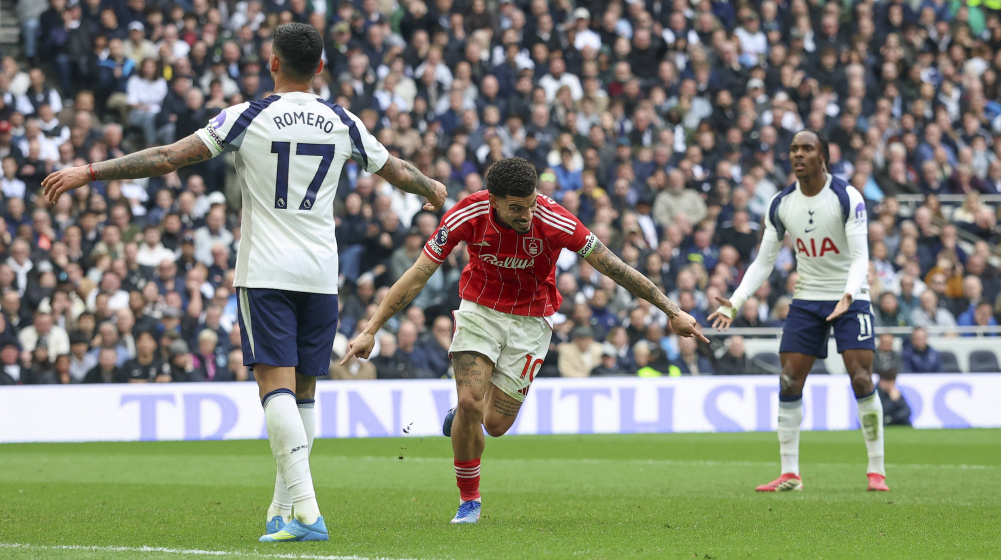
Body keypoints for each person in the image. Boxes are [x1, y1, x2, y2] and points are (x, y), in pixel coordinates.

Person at [42, 23, 446, 543]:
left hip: (266, 272)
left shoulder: (248, 116)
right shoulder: (342, 121)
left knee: (273, 389)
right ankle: (283, 514)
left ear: (273, 63)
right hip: (322, 276)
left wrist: (90, 172)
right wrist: (432, 188)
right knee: (303, 394)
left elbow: (167, 158)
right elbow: (399, 171)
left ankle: (307, 511)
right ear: (321, 67)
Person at [341, 156, 706, 524]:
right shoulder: (466, 215)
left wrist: (671, 310)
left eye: (531, 204)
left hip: (532, 321)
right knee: (470, 401)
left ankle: (463, 419)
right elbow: (418, 273)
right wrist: (371, 328)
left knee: (495, 425)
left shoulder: (555, 219)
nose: (527, 215)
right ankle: (470, 500)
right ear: (492, 200)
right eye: (516, 208)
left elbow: (614, 266)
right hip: (480, 310)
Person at [709, 130, 889, 492]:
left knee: (861, 379)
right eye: (793, 149)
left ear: (822, 155)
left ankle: (876, 470)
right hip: (807, 299)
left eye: (807, 148)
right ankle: (790, 473)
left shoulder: (846, 197)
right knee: (789, 380)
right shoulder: (781, 203)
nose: (798, 154)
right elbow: (764, 261)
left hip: (850, 297)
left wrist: (850, 295)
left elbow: (860, 257)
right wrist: (736, 300)